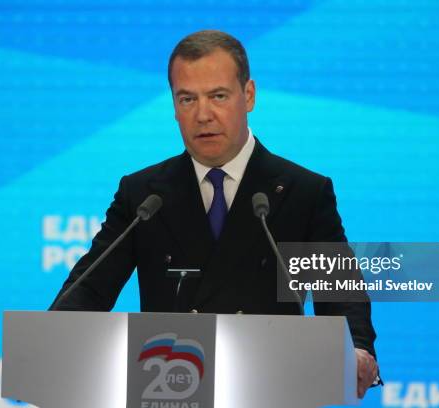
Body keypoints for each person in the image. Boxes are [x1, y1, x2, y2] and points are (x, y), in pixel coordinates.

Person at [50, 30, 380, 397]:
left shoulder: (303, 192)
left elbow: (339, 294)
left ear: (249, 96)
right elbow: (90, 289)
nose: (202, 115)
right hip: (169, 390)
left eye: (218, 96)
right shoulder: (143, 194)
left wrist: (357, 348)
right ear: (174, 107)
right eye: (187, 99)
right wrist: (51, 343)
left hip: (269, 391)